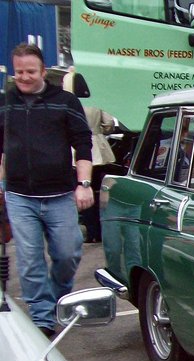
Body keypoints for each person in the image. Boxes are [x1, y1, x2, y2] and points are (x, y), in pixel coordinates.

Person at [0, 43, 94, 338]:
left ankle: (55, 298)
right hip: (19, 196)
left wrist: (84, 184)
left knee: (67, 253)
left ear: (43, 71)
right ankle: (42, 317)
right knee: (30, 260)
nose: (24, 77)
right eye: (18, 72)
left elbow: (83, 144)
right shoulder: (5, 102)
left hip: (60, 195)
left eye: (30, 71)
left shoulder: (65, 101)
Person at [63, 67, 116, 243]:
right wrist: (99, 130)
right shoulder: (96, 101)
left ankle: (89, 230)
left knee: (80, 191)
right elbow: (109, 124)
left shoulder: (67, 102)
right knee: (99, 193)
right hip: (98, 150)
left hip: (75, 152)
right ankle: (101, 230)